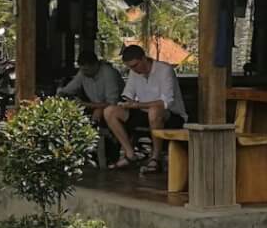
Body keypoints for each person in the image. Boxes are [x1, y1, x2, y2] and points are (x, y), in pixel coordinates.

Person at [105, 44, 187, 172]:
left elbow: (166, 102)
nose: (134, 69)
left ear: (144, 58)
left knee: (154, 111)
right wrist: (126, 103)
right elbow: (128, 94)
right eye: (130, 67)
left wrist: (137, 105)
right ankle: (130, 154)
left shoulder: (164, 70)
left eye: (135, 65)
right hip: (143, 113)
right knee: (110, 111)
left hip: (171, 116)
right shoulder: (134, 72)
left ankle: (155, 157)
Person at [57, 51, 124, 113]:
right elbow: (69, 89)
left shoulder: (108, 73)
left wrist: (85, 104)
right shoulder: (82, 73)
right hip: (96, 107)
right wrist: (60, 94)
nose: (84, 72)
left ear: (95, 64)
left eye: (86, 70)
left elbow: (112, 103)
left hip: (117, 110)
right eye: (82, 69)